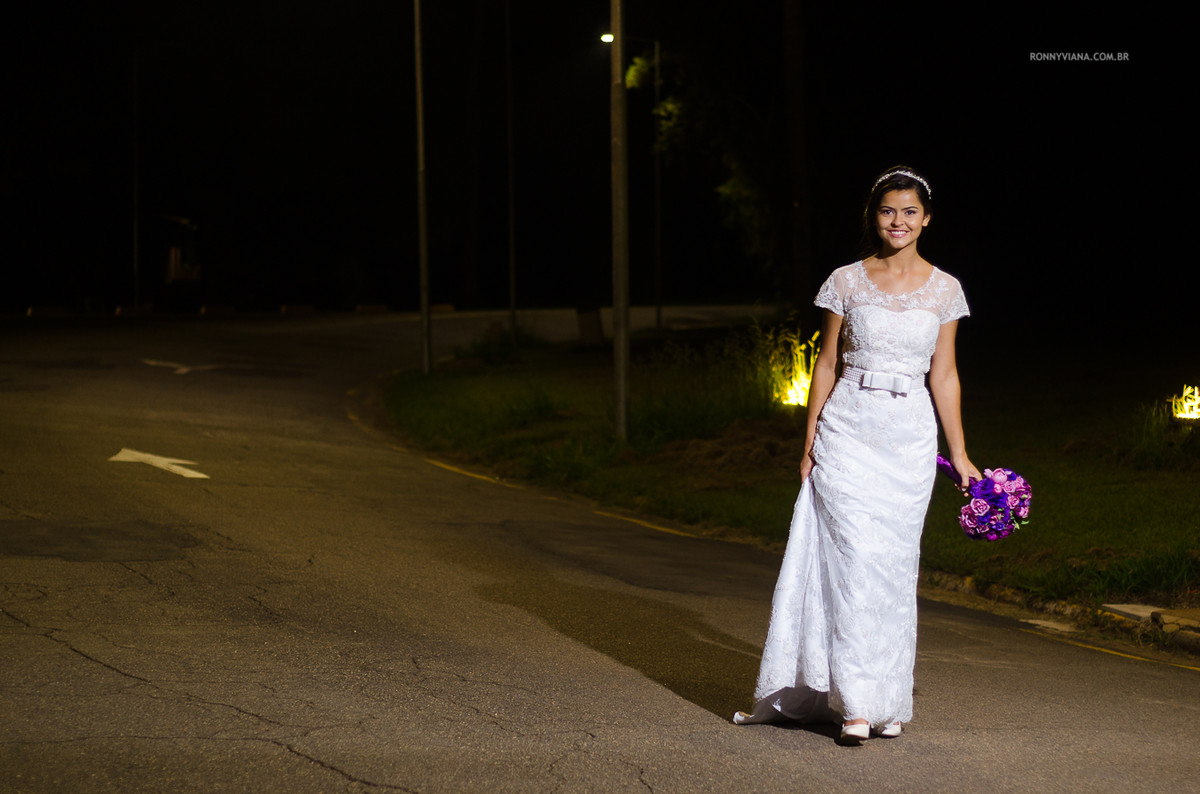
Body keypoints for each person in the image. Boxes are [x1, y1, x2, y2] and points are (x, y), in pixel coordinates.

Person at [733, 166, 980, 746]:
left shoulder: (945, 289)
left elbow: (944, 375)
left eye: (910, 212)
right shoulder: (846, 280)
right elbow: (825, 364)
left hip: (908, 439)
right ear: (875, 217)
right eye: (888, 211)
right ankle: (856, 704)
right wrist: (810, 437)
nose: (899, 221)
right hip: (848, 428)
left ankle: (886, 695)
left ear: (926, 219)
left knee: (890, 569)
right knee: (851, 560)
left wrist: (961, 453)